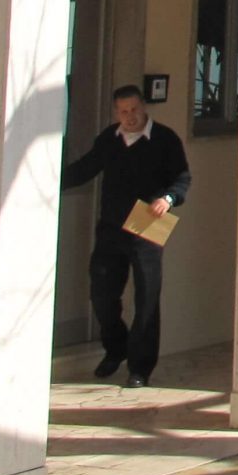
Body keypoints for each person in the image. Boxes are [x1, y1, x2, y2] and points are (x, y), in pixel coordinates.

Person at [62, 83, 191, 387]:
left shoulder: (165, 139)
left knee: (147, 297)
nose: (129, 116)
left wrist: (168, 199)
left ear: (143, 107)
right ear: (116, 112)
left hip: (147, 223)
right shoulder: (109, 139)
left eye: (134, 110)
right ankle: (116, 347)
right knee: (102, 294)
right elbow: (85, 168)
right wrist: (51, 178)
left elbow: (182, 178)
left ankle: (140, 368)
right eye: (123, 111)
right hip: (111, 227)